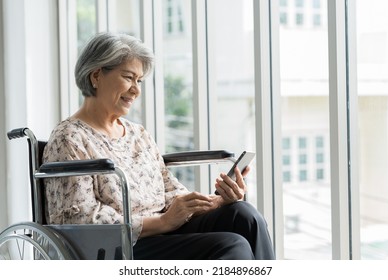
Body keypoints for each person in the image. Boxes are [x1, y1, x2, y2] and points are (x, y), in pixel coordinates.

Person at [43, 32, 275, 260]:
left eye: (139, 80)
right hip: (121, 248)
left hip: (166, 230)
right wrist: (162, 222)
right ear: (96, 75)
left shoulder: (138, 134)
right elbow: (81, 221)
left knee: (244, 216)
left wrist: (215, 202)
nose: (136, 90)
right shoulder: (69, 138)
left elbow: (170, 190)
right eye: (128, 77)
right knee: (231, 245)